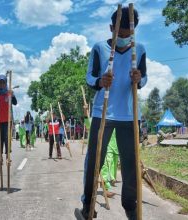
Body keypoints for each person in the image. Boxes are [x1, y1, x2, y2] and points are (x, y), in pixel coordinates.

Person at [80, 7, 147, 219]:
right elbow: (89, 77)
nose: (125, 39)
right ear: (112, 29)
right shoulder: (100, 48)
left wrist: (138, 79)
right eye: (121, 34)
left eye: (129, 35)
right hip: (103, 113)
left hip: (129, 114)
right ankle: (88, 203)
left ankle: (130, 205)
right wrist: (101, 81)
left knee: (130, 163)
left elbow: (144, 79)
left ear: (134, 31)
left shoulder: (140, 49)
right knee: (95, 161)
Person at [0, 74, 17, 158]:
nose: (2, 84)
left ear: (6, 83)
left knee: (7, 136)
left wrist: (12, 95)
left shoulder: (9, 92)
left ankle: (8, 152)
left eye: (3, 82)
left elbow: (15, 103)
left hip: (7, 119)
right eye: (0, 83)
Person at [100, 129, 118, 198]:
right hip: (107, 146)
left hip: (116, 147)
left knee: (113, 165)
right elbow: (88, 126)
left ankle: (112, 179)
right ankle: (106, 189)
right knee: (106, 166)